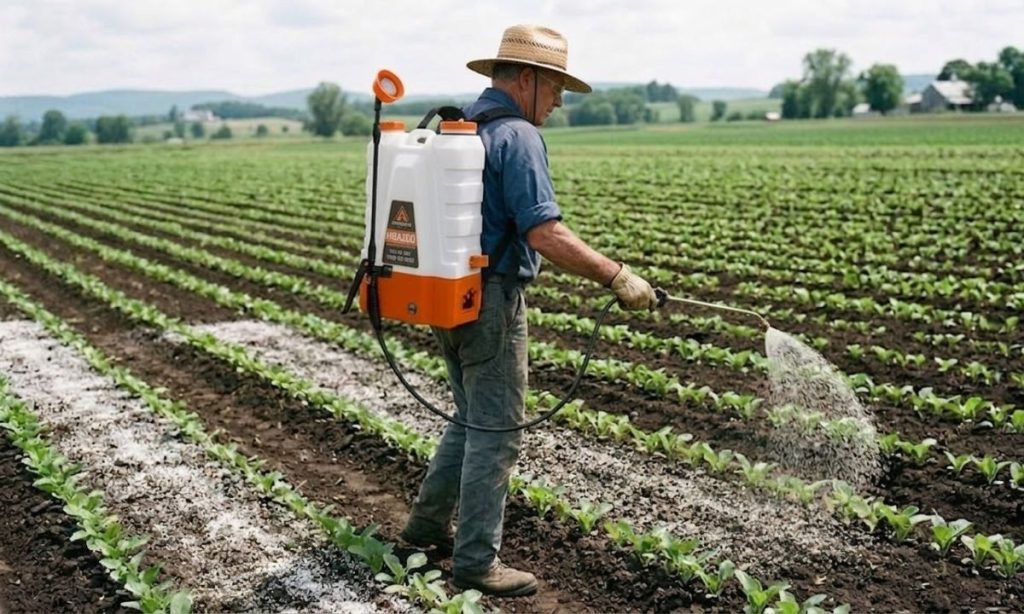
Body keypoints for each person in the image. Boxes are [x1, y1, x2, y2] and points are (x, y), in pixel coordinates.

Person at [400, 24, 657, 597]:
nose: (561, 100)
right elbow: (544, 232)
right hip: (491, 299)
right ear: (526, 79)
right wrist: (617, 275)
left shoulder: (458, 126)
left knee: (469, 420)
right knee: (497, 430)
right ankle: (475, 563)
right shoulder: (517, 135)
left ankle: (421, 533)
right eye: (556, 86)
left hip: (447, 291)